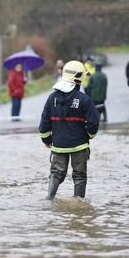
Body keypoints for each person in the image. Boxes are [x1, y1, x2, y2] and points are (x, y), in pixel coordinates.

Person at [39, 60, 100, 200]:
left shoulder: (52, 98)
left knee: (56, 173)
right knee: (79, 176)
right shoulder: (84, 100)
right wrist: (90, 135)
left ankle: (49, 199)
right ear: (79, 77)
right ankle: (79, 205)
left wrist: (47, 140)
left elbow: (44, 124)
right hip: (79, 146)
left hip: (59, 146)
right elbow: (93, 124)